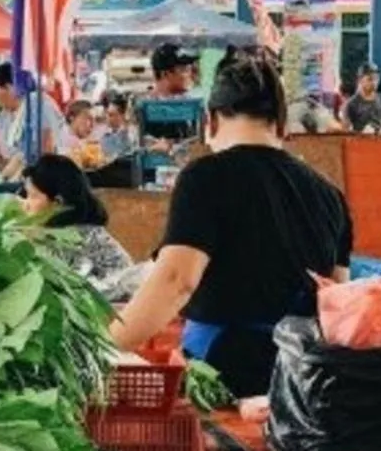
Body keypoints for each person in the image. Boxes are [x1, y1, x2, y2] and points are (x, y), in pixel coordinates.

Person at [111, 52, 353, 396]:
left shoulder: (205, 177)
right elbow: (337, 303)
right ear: (281, 124)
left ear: (210, 120)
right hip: (300, 384)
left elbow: (176, 281)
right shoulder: (329, 195)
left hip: (223, 375)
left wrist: (103, 346)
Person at [24, 153, 135, 299]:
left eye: (33, 196)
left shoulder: (75, 238)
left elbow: (72, 289)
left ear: (58, 202)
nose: (26, 205)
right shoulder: (60, 234)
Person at [0, 60, 66, 178]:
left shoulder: (38, 104)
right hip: (16, 174)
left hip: (42, 177)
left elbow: (47, 149)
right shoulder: (6, 115)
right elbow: (7, 153)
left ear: (9, 87)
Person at [341, 67, 381, 134]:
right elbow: (346, 131)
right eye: (370, 79)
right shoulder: (351, 104)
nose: (374, 82)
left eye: (376, 79)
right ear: (360, 80)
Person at [99, 93, 135, 161]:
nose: (107, 117)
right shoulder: (105, 133)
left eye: (111, 115)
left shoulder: (128, 136)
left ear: (122, 116)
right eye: (107, 113)